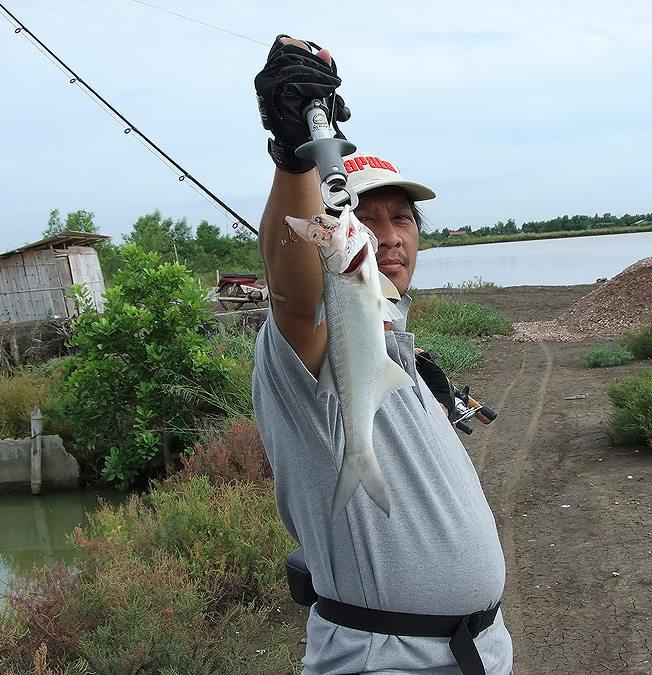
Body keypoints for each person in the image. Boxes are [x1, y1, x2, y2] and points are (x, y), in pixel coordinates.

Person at [252, 35, 514, 675]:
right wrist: (294, 156)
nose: (391, 236)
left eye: (405, 218)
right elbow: (292, 296)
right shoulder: (310, 340)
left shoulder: (404, 348)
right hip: (385, 659)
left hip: (475, 652)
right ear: (331, 228)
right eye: (365, 218)